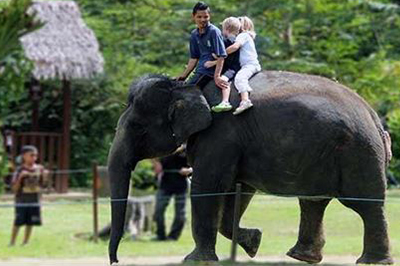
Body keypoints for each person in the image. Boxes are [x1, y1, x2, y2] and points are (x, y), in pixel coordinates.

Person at [212, 16, 262, 115]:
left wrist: (221, 54)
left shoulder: (243, 36)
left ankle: (245, 100)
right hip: (247, 65)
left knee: (240, 78)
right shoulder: (245, 37)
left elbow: (235, 47)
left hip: (249, 65)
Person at [176, 1, 229, 90]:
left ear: (209, 16)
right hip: (199, 71)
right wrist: (184, 75)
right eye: (199, 17)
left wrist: (217, 76)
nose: (203, 20)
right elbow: (194, 58)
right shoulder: (194, 34)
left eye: (206, 17)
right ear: (193, 17)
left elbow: (221, 56)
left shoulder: (214, 32)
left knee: (187, 91)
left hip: (209, 72)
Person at [9, 145, 48, 246]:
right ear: (24, 156)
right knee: (18, 221)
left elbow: (44, 186)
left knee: (31, 222)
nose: (34, 158)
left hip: (35, 199)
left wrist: (45, 177)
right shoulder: (19, 170)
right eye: (31, 155)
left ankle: (26, 242)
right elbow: (14, 189)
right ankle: (12, 242)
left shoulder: (40, 169)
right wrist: (20, 177)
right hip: (21, 200)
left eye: (36, 155)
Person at [152, 146, 192, 241]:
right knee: (158, 211)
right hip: (165, 184)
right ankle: (160, 235)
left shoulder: (187, 148)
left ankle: (173, 236)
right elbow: (150, 153)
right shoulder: (164, 146)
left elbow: (197, 164)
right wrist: (156, 163)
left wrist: (190, 170)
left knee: (180, 214)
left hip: (181, 185)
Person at [204, 17, 242, 112]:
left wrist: (214, 57)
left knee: (223, 80)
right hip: (231, 67)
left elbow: (222, 56)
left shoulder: (227, 42)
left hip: (232, 69)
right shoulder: (236, 41)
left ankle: (225, 101)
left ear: (226, 29)